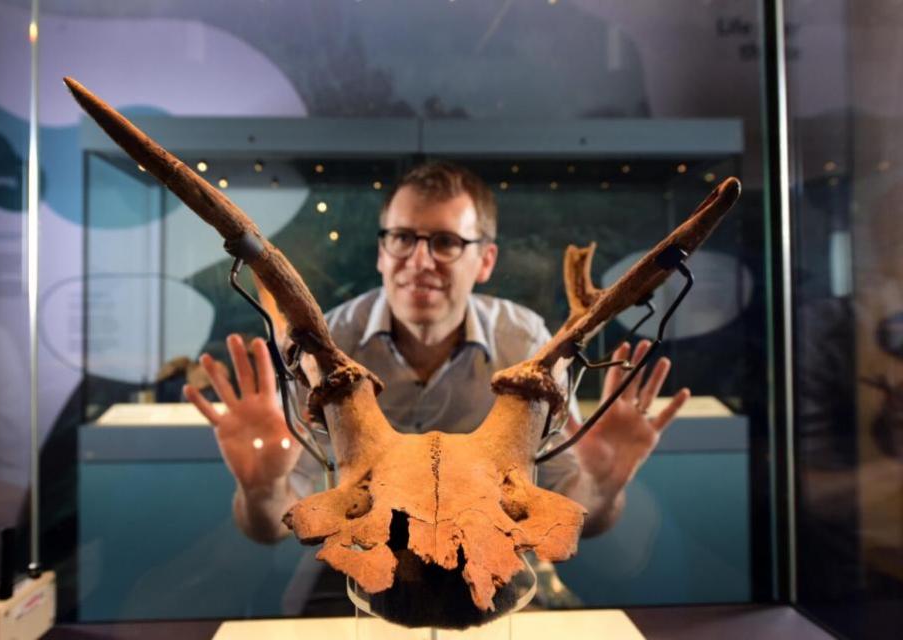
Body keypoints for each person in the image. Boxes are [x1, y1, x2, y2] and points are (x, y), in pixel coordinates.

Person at [184, 162, 689, 610]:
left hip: (490, 569)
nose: (419, 261)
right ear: (381, 251)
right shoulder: (326, 346)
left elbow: (582, 516)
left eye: (446, 242)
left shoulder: (527, 344)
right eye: (402, 238)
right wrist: (260, 486)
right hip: (365, 565)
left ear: (485, 260)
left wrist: (601, 487)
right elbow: (270, 526)